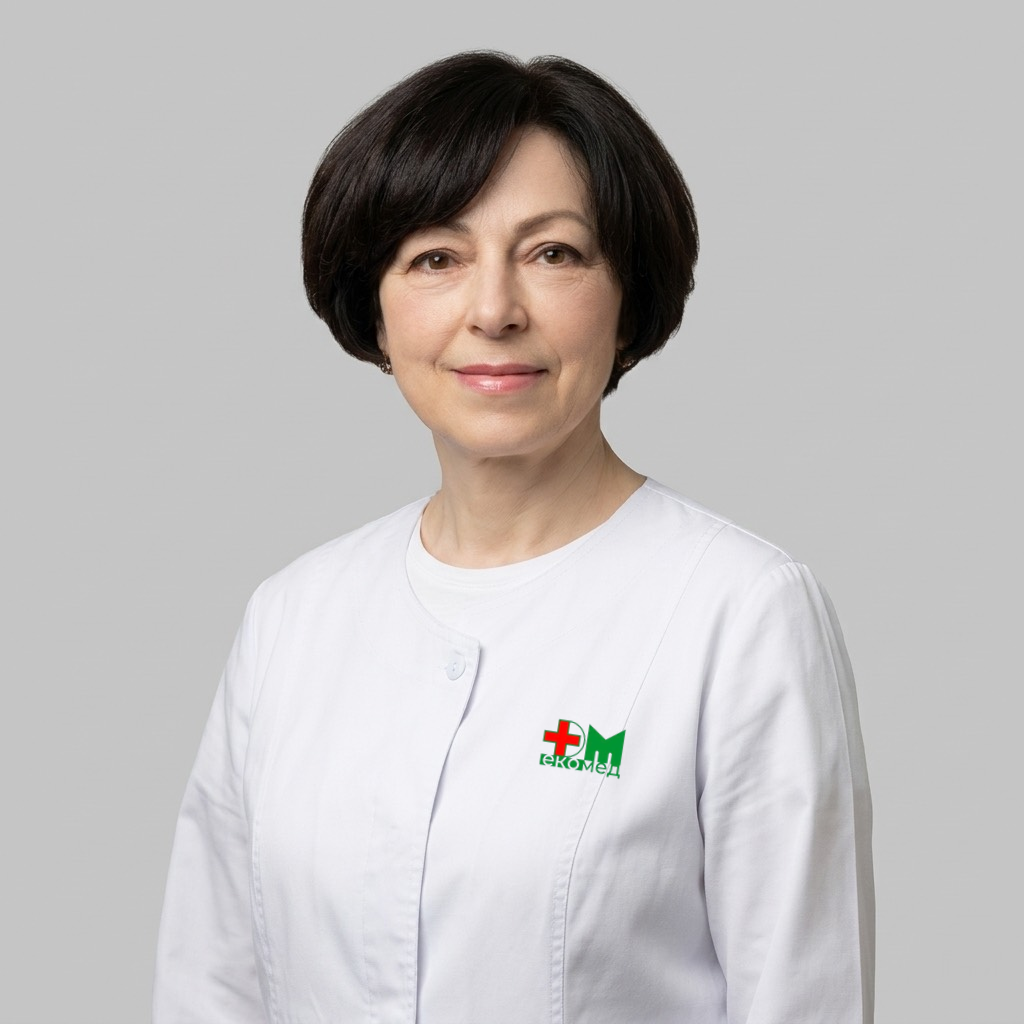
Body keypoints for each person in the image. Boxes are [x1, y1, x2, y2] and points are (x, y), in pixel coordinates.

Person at [153, 51, 874, 1023]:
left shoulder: (740, 615)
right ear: (376, 307)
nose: (493, 311)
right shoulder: (290, 618)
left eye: (553, 254)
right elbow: (209, 989)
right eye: (436, 258)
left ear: (627, 298)